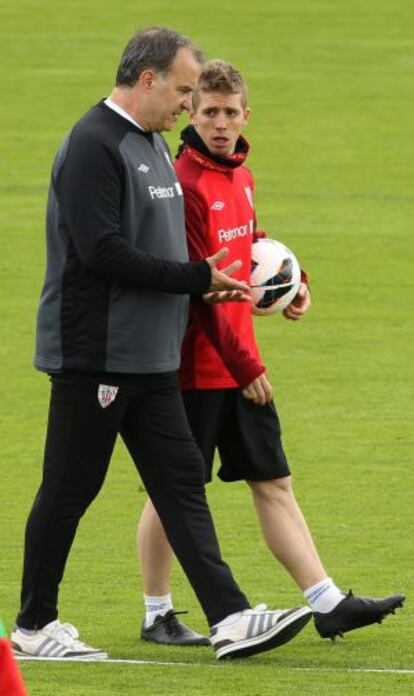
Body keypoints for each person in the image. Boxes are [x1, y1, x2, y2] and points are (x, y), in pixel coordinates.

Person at [11, 29, 314, 663]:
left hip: (150, 357)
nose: (188, 104)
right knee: (71, 486)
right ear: (146, 80)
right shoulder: (95, 144)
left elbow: (172, 245)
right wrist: (198, 278)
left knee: (181, 483)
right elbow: (102, 252)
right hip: (97, 353)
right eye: (182, 90)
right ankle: (35, 626)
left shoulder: (149, 142)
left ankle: (229, 617)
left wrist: (235, 282)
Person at [136, 59, 405, 647]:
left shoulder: (241, 176)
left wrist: (294, 282)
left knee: (273, 480)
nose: (221, 123)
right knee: (174, 492)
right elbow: (203, 290)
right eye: (209, 112)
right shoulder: (186, 185)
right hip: (196, 369)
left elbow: (256, 244)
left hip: (239, 363)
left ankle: (326, 600)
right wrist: (247, 366)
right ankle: (157, 612)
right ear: (191, 112)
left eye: (231, 113)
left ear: (246, 114)